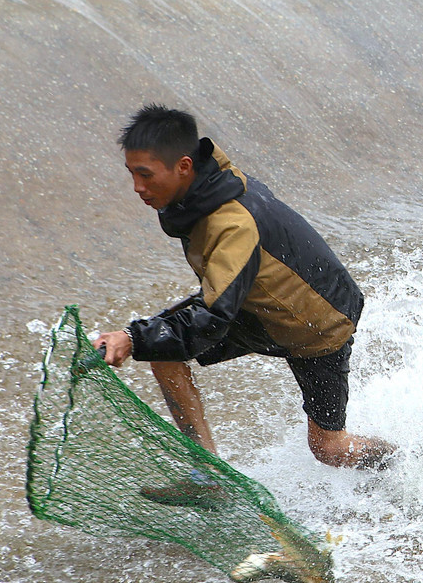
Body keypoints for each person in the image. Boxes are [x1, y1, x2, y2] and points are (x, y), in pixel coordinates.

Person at [94, 104, 393, 496]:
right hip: (260, 306)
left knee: (329, 448)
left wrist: (131, 339)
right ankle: (208, 476)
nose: (138, 187)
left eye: (146, 175)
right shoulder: (206, 183)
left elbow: (212, 318)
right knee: (163, 348)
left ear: (184, 166)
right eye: (132, 174)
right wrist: (143, 339)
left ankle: (400, 463)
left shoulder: (232, 222)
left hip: (315, 324)